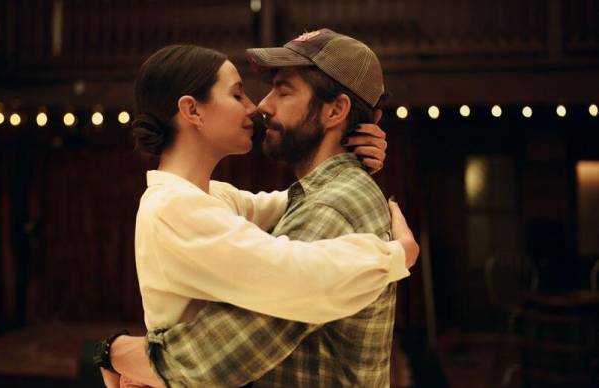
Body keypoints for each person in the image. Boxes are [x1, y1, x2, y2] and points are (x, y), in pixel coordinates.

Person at [97, 33, 419, 387]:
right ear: (192, 111)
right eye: (237, 94)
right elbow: (297, 276)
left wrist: (121, 353)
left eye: (283, 91)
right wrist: (396, 255)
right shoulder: (177, 206)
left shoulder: (216, 198)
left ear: (335, 111)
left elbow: (287, 208)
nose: (258, 107)